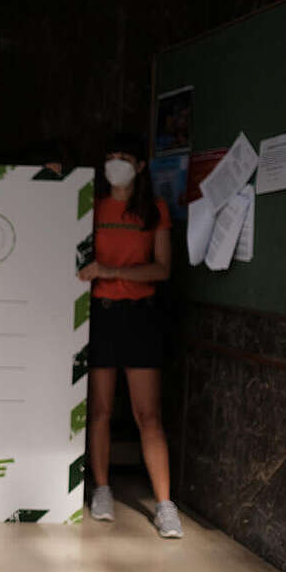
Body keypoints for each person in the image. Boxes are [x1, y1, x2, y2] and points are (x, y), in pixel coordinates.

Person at [77, 133, 183, 539]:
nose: (115, 163)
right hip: (101, 317)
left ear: (140, 166)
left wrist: (112, 271)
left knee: (148, 415)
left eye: (124, 157)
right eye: (110, 156)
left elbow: (161, 269)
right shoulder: (91, 203)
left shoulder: (154, 210)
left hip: (141, 318)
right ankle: (102, 490)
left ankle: (165, 505)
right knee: (100, 410)